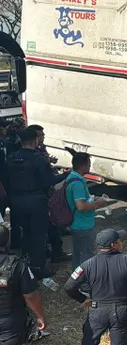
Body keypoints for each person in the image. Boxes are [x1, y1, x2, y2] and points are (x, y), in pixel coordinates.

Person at [64, 229, 127, 345]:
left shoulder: (87, 264)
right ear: (114, 245)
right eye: (119, 241)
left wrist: (84, 299)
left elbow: (69, 287)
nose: (121, 243)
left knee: (89, 341)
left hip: (97, 311)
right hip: (122, 310)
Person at [7, 128, 67, 278]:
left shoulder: (12, 157)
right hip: (36, 202)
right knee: (39, 236)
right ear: (35, 141)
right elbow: (49, 180)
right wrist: (65, 175)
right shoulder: (38, 159)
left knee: (26, 234)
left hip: (17, 201)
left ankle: (25, 267)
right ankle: (39, 269)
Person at [0, 223, 46, 345]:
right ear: (7, 242)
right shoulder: (17, 266)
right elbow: (31, 295)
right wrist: (40, 316)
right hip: (10, 326)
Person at [65, 149, 109, 269]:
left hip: (78, 224)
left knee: (78, 254)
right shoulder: (77, 183)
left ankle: (76, 280)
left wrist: (93, 200)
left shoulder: (73, 178)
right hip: (82, 225)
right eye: (89, 164)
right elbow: (81, 206)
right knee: (86, 256)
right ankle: (84, 283)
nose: (90, 166)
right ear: (83, 165)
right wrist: (97, 203)